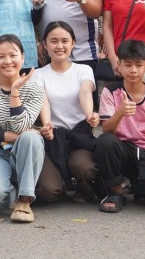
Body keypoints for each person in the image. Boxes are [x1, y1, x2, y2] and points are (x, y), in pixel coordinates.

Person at [0, 34, 46, 223]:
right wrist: (15, 136)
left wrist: (15, 92)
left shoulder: (35, 89)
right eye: (1, 56)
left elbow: (22, 126)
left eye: (13, 55)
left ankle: (25, 201)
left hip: (25, 149)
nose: (7, 61)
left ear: (23, 57)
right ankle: (12, 193)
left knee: (31, 138)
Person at [95, 40, 145, 213]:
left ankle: (139, 188)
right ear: (119, 65)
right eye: (128, 65)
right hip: (120, 149)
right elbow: (107, 130)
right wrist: (120, 112)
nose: (133, 70)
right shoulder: (110, 92)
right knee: (105, 141)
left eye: (138, 65)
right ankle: (115, 191)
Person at [32, 22, 101, 203]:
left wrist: (90, 114)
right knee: (48, 191)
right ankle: (60, 184)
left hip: (79, 137)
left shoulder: (83, 70)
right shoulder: (38, 74)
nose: (60, 46)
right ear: (45, 45)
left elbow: (85, 91)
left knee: (84, 167)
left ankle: (82, 187)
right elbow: (43, 100)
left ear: (73, 43)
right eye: (54, 41)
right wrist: (47, 124)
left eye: (65, 41)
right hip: (52, 138)